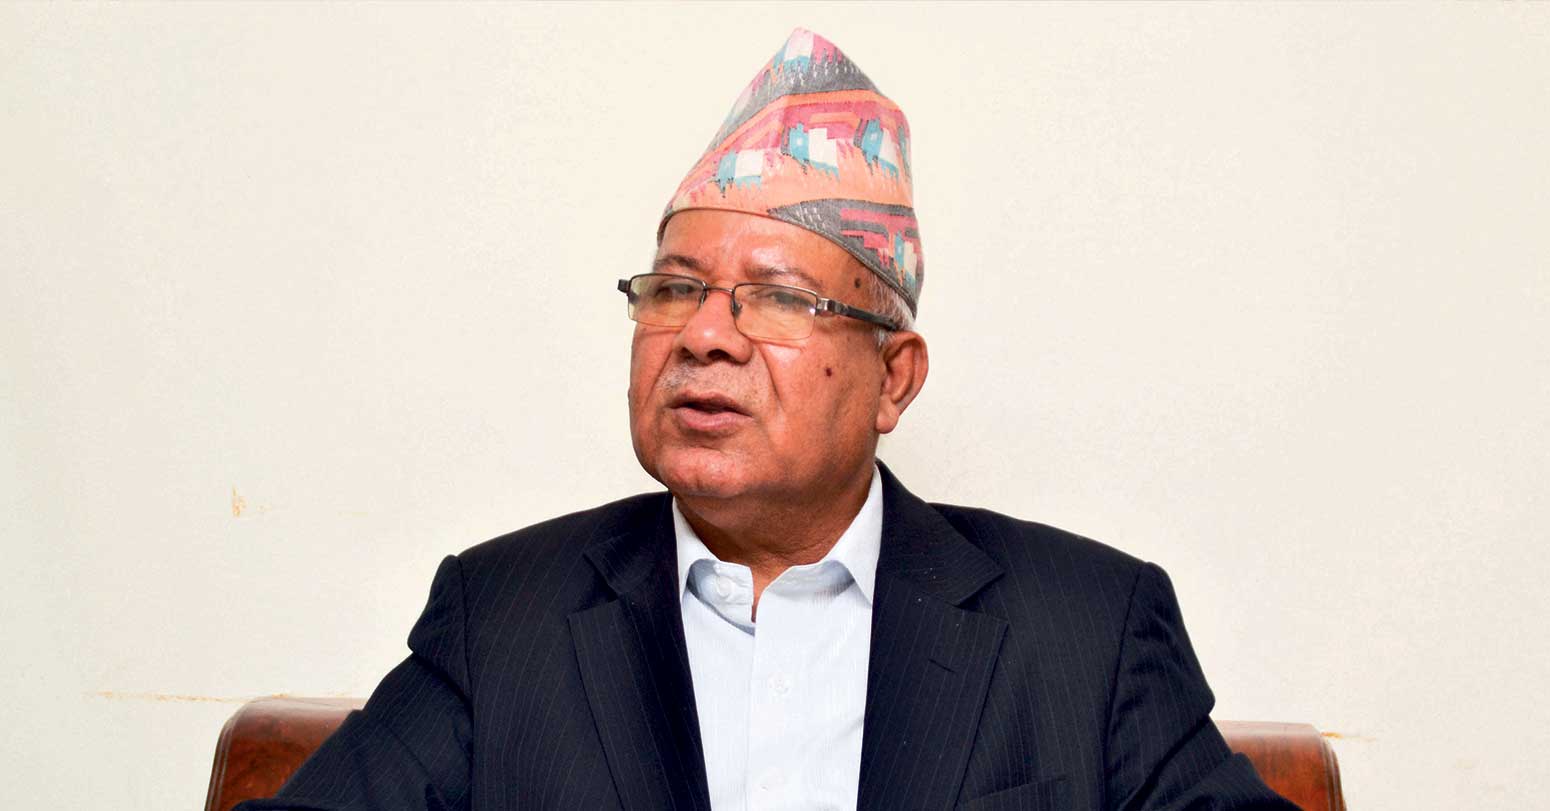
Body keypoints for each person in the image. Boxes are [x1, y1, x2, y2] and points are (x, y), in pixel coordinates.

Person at [240, 28, 1295, 811]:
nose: (703, 335)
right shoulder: (503, 618)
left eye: (778, 298)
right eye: (672, 288)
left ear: (893, 380)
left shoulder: (1086, 630)